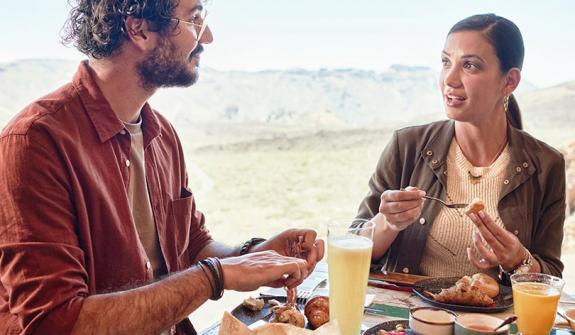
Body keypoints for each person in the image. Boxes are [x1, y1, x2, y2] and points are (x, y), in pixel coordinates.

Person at [0, 1, 324, 334]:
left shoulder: (162, 134)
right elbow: (55, 324)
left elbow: (192, 246)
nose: (207, 36)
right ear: (138, 29)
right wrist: (216, 276)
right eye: (194, 19)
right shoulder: (36, 141)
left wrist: (256, 254)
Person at [356, 14, 565, 281]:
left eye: (470, 66)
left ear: (509, 81)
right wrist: (387, 222)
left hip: (495, 323)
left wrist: (519, 261)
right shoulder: (406, 146)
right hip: (409, 318)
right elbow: (353, 245)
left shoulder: (546, 165)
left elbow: (551, 275)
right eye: (446, 62)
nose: (450, 79)